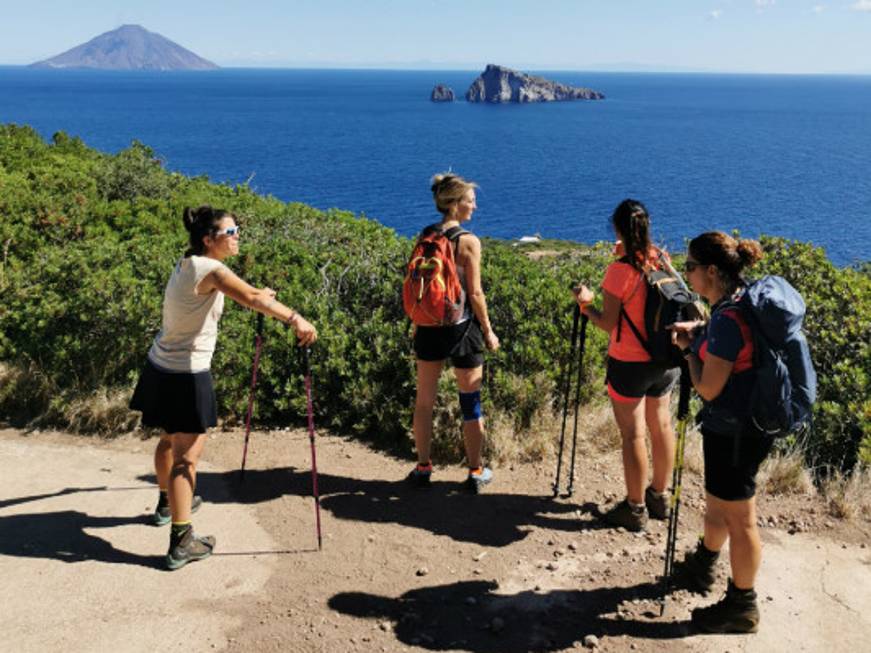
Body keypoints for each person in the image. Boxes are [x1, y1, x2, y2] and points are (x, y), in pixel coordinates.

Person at [130, 205, 317, 570]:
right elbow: (251, 299)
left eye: (237, 230)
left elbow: (245, 291)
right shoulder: (212, 270)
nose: (237, 237)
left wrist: (258, 294)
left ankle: (168, 504)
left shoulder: (190, 264)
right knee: (187, 457)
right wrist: (296, 319)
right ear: (208, 239)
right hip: (186, 373)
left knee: (170, 439)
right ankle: (182, 542)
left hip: (161, 365)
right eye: (230, 233)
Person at [669, 231, 768, 633]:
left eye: (690, 267)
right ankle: (703, 565)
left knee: (740, 518)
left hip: (735, 431)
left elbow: (708, 388)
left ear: (711, 271)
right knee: (718, 504)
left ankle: (742, 605)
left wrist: (690, 350)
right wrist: (702, 331)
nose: (687, 274)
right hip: (740, 426)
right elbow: (729, 338)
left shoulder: (727, 320)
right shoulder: (738, 299)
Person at [572, 199, 678, 531]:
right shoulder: (661, 258)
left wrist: (586, 304)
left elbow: (608, 323)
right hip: (665, 360)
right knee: (661, 426)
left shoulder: (619, 271)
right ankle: (659, 496)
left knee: (633, 434)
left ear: (618, 228)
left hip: (629, 363)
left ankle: (635, 509)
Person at [407, 173, 500, 493]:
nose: (474, 206)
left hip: (428, 327)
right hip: (462, 330)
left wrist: (417, 320)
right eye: (470, 201)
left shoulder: (426, 234)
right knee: (470, 402)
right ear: (456, 204)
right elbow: (475, 294)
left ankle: (423, 467)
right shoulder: (469, 241)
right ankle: (475, 471)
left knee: (424, 401)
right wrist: (488, 330)